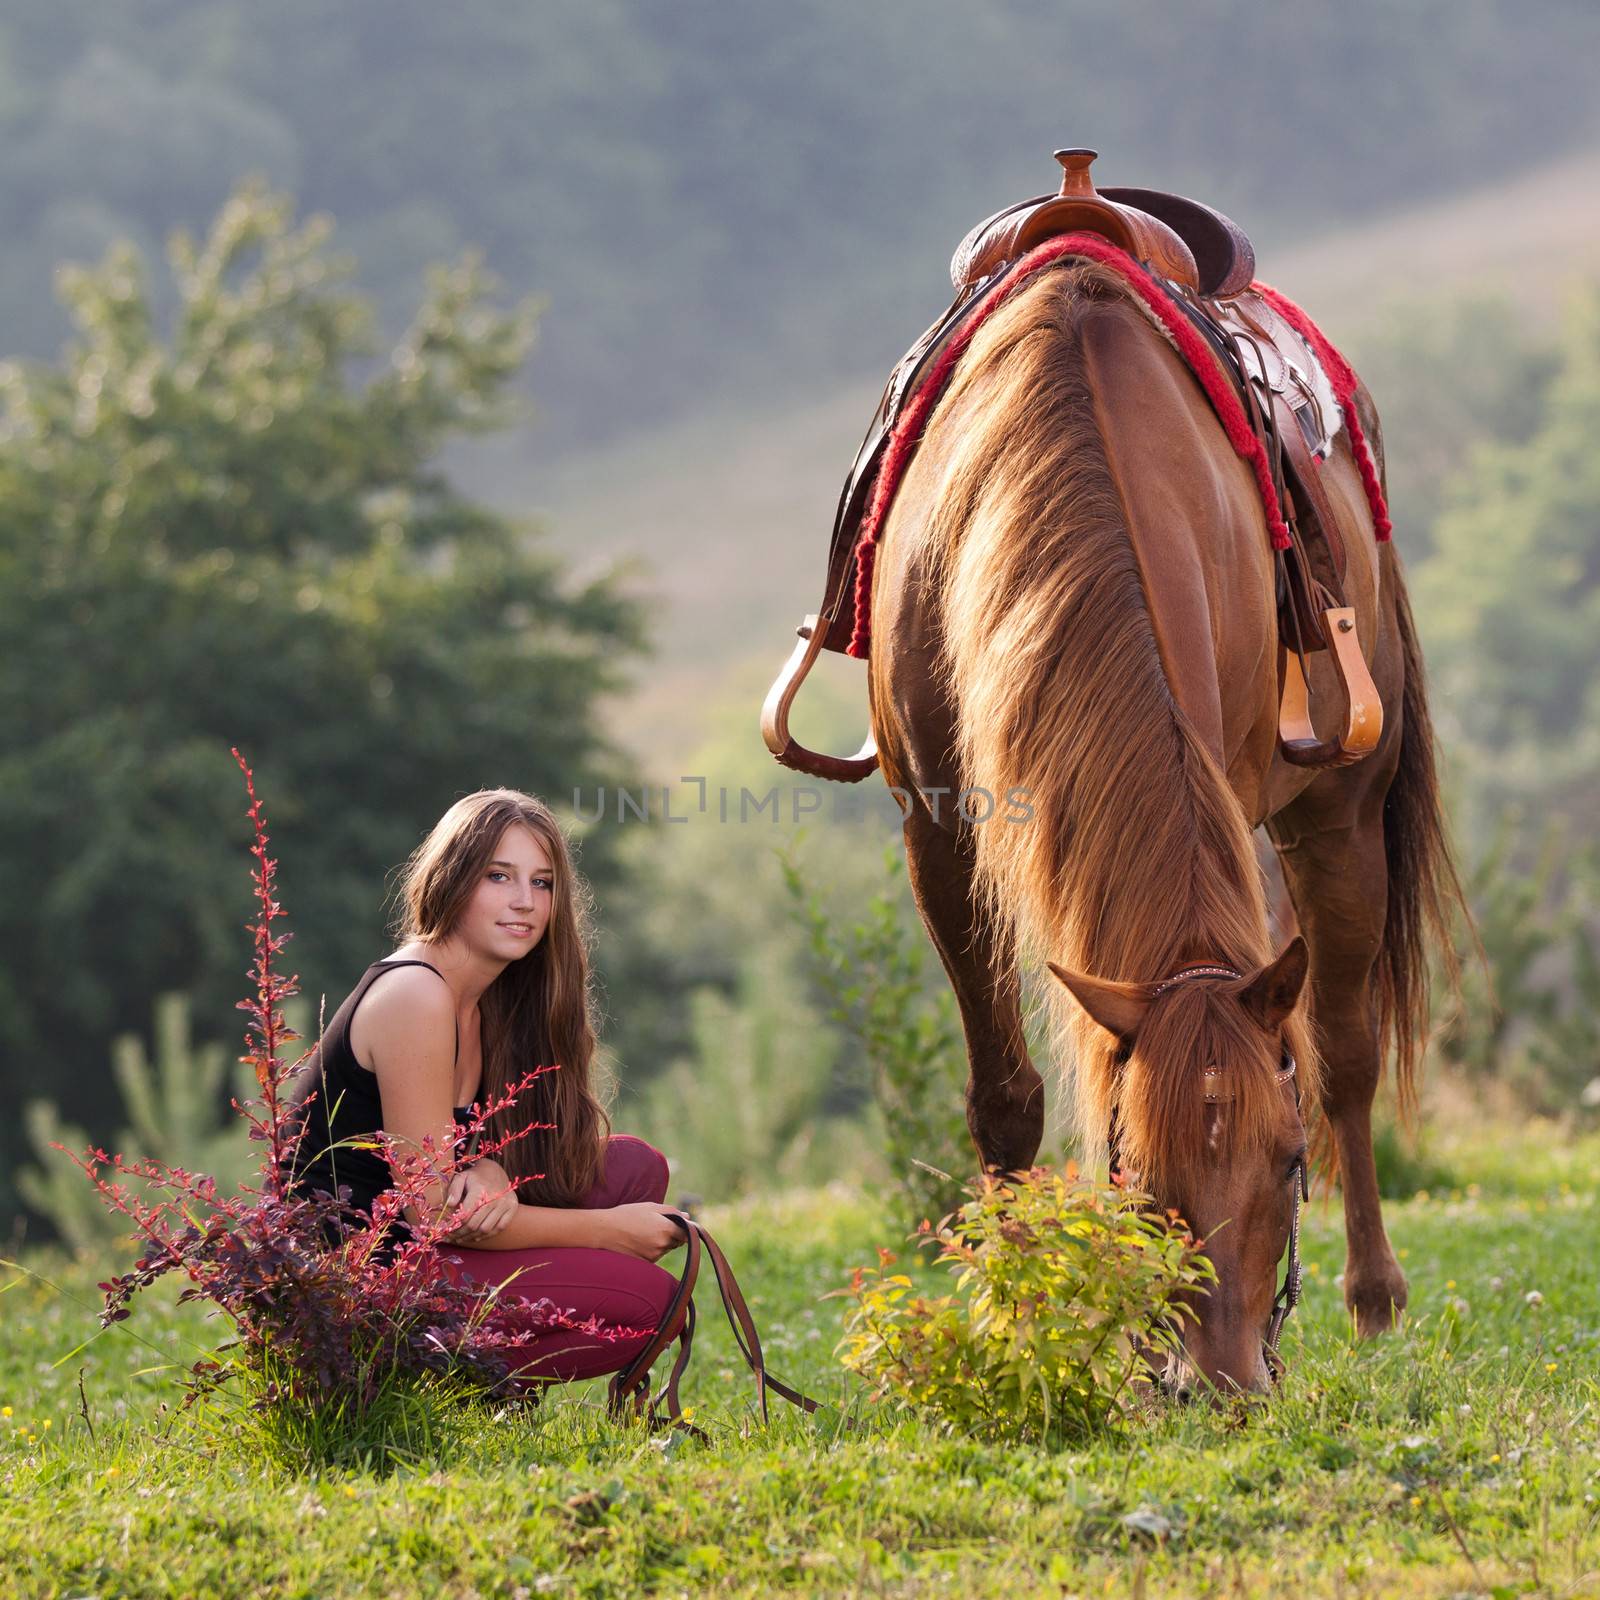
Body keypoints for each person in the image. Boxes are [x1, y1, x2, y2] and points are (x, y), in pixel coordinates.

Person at [283, 787, 683, 1387]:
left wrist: (492, 1167)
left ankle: (476, 1351)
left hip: (432, 1243)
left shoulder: (490, 996)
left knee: (633, 1168)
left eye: (542, 883)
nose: (524, 902)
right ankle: (425, 1379)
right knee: (655, 1302)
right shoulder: (416, 995)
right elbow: (431, 1211)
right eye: (499, 876)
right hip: (368, 1282)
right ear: (452, 879)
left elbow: (461, 1159)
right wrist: (608, 1231)